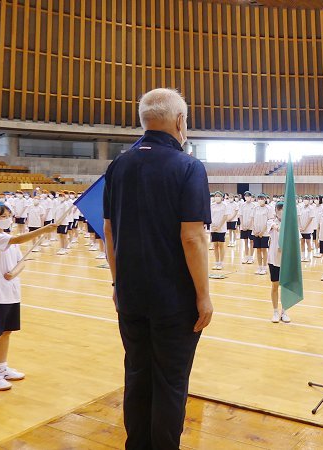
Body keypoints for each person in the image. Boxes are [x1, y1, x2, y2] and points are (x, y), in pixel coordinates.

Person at [103, 88, 213, 449]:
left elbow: (108, 231)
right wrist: (204, 296)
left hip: (131, 295)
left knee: (137, 375)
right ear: (180, 121)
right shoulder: (188, 167)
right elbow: (192, 237)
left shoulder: (118, 165)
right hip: (173, 301)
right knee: (170, 383)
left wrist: (118, 282)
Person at [0, 202, 56, 391]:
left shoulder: (6, 237)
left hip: (11, 294)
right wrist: (43, 229)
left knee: (7, 332)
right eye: (3, 215)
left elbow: (21, 262)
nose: (8, 219)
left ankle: (2, 368)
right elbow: (18, 240)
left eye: (9, 215)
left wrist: (14, 273)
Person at [267, 202, 291, 323]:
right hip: (274, 259)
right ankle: (275, 311)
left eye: (283, 209)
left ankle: (284, 311)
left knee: (286, 287)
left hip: (286, 260)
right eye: (279, 209)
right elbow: (275, 228)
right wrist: (280, 227)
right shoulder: (271, 222)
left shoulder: (291, 223)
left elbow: (296, 239)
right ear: (276, 211)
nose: (281, 211)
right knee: (275, 286)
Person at [252, 193, 270, 275]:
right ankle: (259, 267)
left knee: (264, 250)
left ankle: (264, 267)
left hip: (265, 233)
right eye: (259, 198)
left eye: (262, 198)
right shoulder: (255, 208)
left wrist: (263, 231)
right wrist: (254, 230)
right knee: (258, 250)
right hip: (256, 232)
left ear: (265, 199)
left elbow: (269, 221)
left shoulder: (268, 208)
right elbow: (253, 219)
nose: (260, 200)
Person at [210, 191, 228, 270]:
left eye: (218, 196)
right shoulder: (212, 205)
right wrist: (212, 226)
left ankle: (221, 263)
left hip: (221, 228)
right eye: (216, 196)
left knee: (221, 245)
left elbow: (225, 216)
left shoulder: (224, 205)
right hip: (213, 228)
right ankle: (216, 262)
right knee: (215, 245)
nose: (217, 197)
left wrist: (219, 226)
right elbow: (210, 216)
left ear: (222, 197)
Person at [239, 191, 255, 264]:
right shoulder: (242, 205)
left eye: (248, 196)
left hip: (251, 227)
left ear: (251, 197)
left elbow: (253, 216)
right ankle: (246, 256)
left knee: (251, 242)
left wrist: (249, 225)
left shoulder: (254, 205)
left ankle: (251, 257)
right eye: (246, 196)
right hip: (244, 226)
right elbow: (241, 215)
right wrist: (242, 225)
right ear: (244, 197)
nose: (247, 197)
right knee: (245, 242)